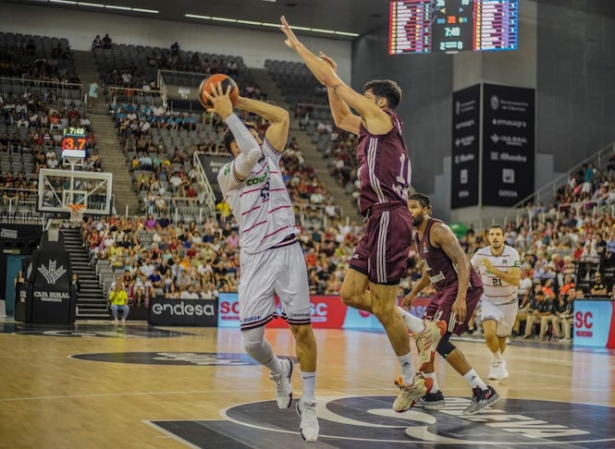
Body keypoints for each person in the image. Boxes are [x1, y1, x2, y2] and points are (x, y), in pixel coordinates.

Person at [279, 16, 445, 413]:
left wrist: (300, 48)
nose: (361, 100)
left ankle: (413, 379)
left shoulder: (383, 120)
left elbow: (336, 87)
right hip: (378, 218)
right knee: (350, 294)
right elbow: (338, 117)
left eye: (366, 96)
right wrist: (332, 81)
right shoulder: (371, 129)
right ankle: (421, 329)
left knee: (385, 308)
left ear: (379, 102)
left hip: (390, 215)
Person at [206, 82, 319, 442]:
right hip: (255, 259)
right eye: (241, 135)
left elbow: (282, 116)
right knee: (252, 344)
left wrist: (238, 101)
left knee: (303, 330)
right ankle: (278, 369)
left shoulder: (269, 156)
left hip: (287, 248)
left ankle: (311, 405)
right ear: (232, 147)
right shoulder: (227, 176)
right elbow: (252, 151)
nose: (250, 136)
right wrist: (228, 116)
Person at [400, 194, 499, 415]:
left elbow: (462, 260)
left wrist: (461, 296)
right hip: (444, 290)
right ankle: (433, 392)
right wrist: (414, 292)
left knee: (439, 339)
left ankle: (482, 390)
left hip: (461, 286)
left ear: (426, 209)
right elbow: (429, 269)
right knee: (423, 336)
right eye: (407, 208)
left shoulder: (438, 230)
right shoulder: (418, 235)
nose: (409, 211)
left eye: (414, 207)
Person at [470, 225, 521, 380]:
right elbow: (467, 271)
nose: (495, 237)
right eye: (492, 234)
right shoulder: (480, 254)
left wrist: (493, 270)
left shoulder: (512, 253)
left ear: (504, 237)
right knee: (489, 334)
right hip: (489, 300)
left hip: (509, 301)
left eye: (498, 234)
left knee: (501, 337)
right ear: (488, 237)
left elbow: (515, 279)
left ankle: (496, 362)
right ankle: (498, 361)